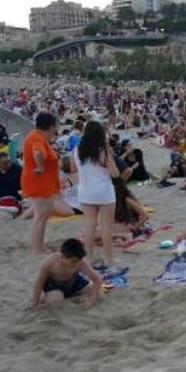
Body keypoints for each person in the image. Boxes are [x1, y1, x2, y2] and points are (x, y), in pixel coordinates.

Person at [71, 121, 119, 270]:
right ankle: (109, 260)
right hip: (103, 191)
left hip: (85, 191)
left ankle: (88, 258)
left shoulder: (77, 150)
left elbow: (73, 170)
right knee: (106, 228)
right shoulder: (101, 150)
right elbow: (115, 173)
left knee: (89, 226)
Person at [22, 112, 61, 254]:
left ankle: (39, 245)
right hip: (39, 183)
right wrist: (40, 166)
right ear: (51, 127)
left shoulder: (35, 136)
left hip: (41, 182)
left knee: (42, 216)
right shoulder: (37, 138)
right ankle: (37, 248)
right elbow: (38, 153)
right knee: (41, 216)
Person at [30, 238, 104, 309]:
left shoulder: (80, 262)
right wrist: (35, 302)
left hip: (74, 281)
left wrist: (91, 299)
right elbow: (40, 282)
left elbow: (97, 279)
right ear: (62, 257)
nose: (77, 263)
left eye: (79, 260)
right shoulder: (50, 262)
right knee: (56, 304)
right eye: (74, 261)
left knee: (100, 295)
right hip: (54, 285)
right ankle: (44, 296)